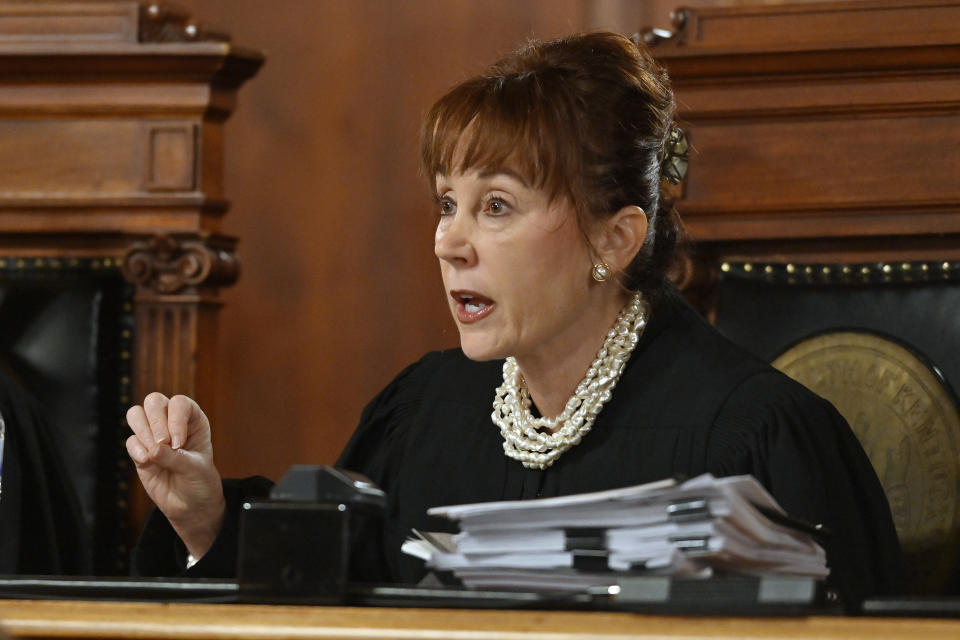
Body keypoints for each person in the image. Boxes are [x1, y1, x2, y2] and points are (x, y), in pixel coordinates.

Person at [126, 32, 904, 603]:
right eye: (446, 204)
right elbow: (331, 610)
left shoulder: (752, 436)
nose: (448, 242)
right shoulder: (422, 413)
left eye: (496, 207)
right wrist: (207, 520)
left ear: (616, 237)